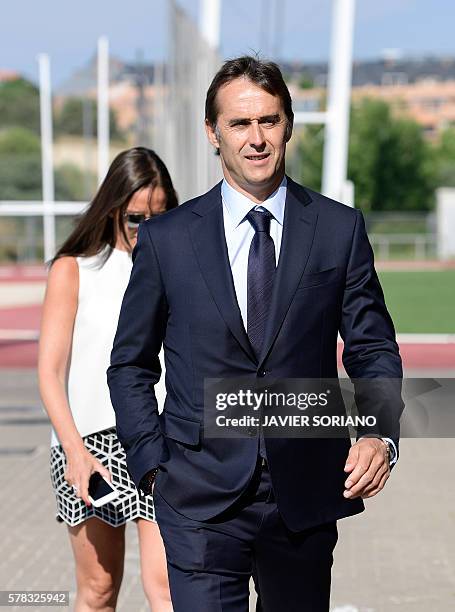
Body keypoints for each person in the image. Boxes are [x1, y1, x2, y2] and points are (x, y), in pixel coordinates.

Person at [108, 58, 403, 611]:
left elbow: (372, 346)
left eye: (268, 121)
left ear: (288, 124)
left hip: (305, 491)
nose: (257, 138)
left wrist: (377, 433)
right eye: (240, 124)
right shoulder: (168, 239)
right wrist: (152, 464)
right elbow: (130, 364)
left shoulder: (338, 230)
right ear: (213, 132)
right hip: (196, 497)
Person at [38, 147, 177, 612]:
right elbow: (50, 372)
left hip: (159, 437)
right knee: (99, 590)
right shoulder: (73, 269)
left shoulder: (179, 267)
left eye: (160, 216)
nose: (147, 228)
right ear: (112, 207)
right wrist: (75, 452)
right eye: (136, 217)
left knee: (167, 588)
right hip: (90, 446)